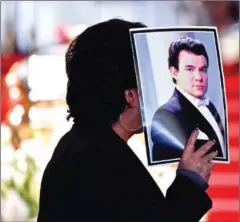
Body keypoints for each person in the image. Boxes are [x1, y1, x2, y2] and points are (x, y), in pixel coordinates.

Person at [37, 19, 217, 221]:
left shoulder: (87, 145)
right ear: (130, 95)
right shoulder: (98, 159)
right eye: (150, 79)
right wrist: (190, 182)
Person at [151, 36, 225, 162]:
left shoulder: (209, 105)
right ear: (175, 72)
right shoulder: (166, 115)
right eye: (190, 69)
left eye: (203, 70)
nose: (198, 77)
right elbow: (167, 164)